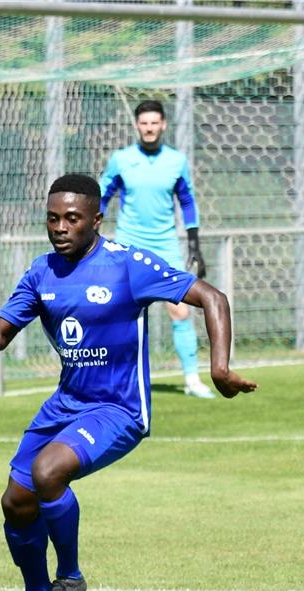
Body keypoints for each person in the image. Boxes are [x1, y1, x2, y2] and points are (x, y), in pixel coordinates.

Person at [0, 174, 255, 591]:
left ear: (96, 220)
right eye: (53, 218)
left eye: (72, 219)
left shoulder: (126, 264)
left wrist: (219, 367)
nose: (60, 227)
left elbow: (212, 297)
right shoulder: (41, 272)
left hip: (119, 408)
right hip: (66, 403)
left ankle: (70, 580)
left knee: (48, 471)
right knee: (16, 501)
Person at [99, 99, 215, 399]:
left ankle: (191, 379)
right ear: (137, 126)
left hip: (165, 244)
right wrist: (92, 232)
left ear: (163, 125)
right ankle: (112, 379)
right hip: (127, 244)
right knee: (117, 311)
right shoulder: (121, 159)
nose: (149, 128)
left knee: (180, 311)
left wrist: (194, 244)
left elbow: (187, 201)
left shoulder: (176, 161)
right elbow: (102, 195)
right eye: (144, 123)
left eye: (154, 123)